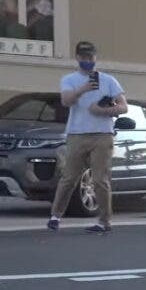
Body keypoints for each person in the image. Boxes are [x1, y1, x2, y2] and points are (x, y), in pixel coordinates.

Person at [47, 41, 127, 233]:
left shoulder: (109, 81)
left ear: (96, 57)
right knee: (69, 178)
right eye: (84, 58)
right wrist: (83, 89)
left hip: (103, 135)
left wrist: (103, 110)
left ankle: (104, 221)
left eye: (91, 57)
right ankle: (55, 216)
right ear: (77, 58)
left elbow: (124, 107)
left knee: (100, 179)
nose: (88, 61)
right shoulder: (69, 79)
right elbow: (66, 101)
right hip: (77, 134)